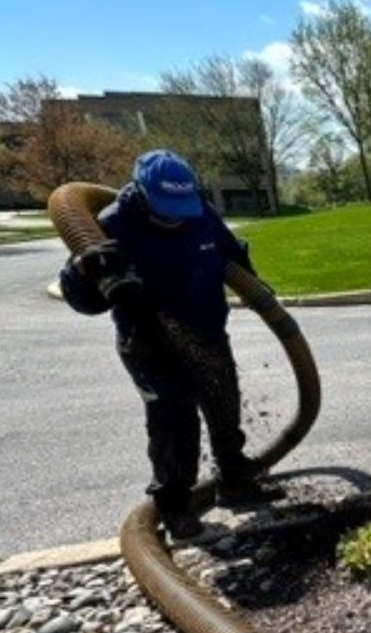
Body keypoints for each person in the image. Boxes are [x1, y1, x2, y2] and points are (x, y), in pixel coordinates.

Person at [60, 150, 280, 540]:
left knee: (224, 406)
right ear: (142, 193)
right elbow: (85, 301)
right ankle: (176, 505)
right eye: (167, 207)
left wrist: (256, 289)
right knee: (174, 423)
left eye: (182, 206)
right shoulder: (109, 225)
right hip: (149, 344)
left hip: (208, 333)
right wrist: (81, 271)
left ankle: (235, 480)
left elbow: (232, 257)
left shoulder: (200, 214)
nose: (176, 216)